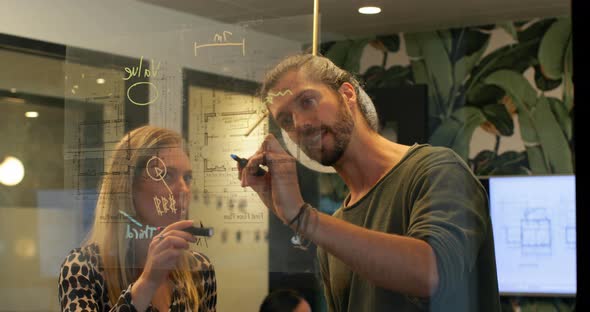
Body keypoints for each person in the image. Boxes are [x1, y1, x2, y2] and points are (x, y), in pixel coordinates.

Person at [239, 54, 500, 311]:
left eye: (308, 101)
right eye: (286, 120)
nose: (301, 124)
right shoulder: (334, 230)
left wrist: (301, 216)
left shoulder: (437, 171)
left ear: (348, 94)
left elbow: (430, 274)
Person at [58, 125, 217, 311]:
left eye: (187, 178)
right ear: (128, 187)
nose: (184, 189)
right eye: (165, 175)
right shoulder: (84, 267)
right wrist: (147, 283)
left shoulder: (199, 269)